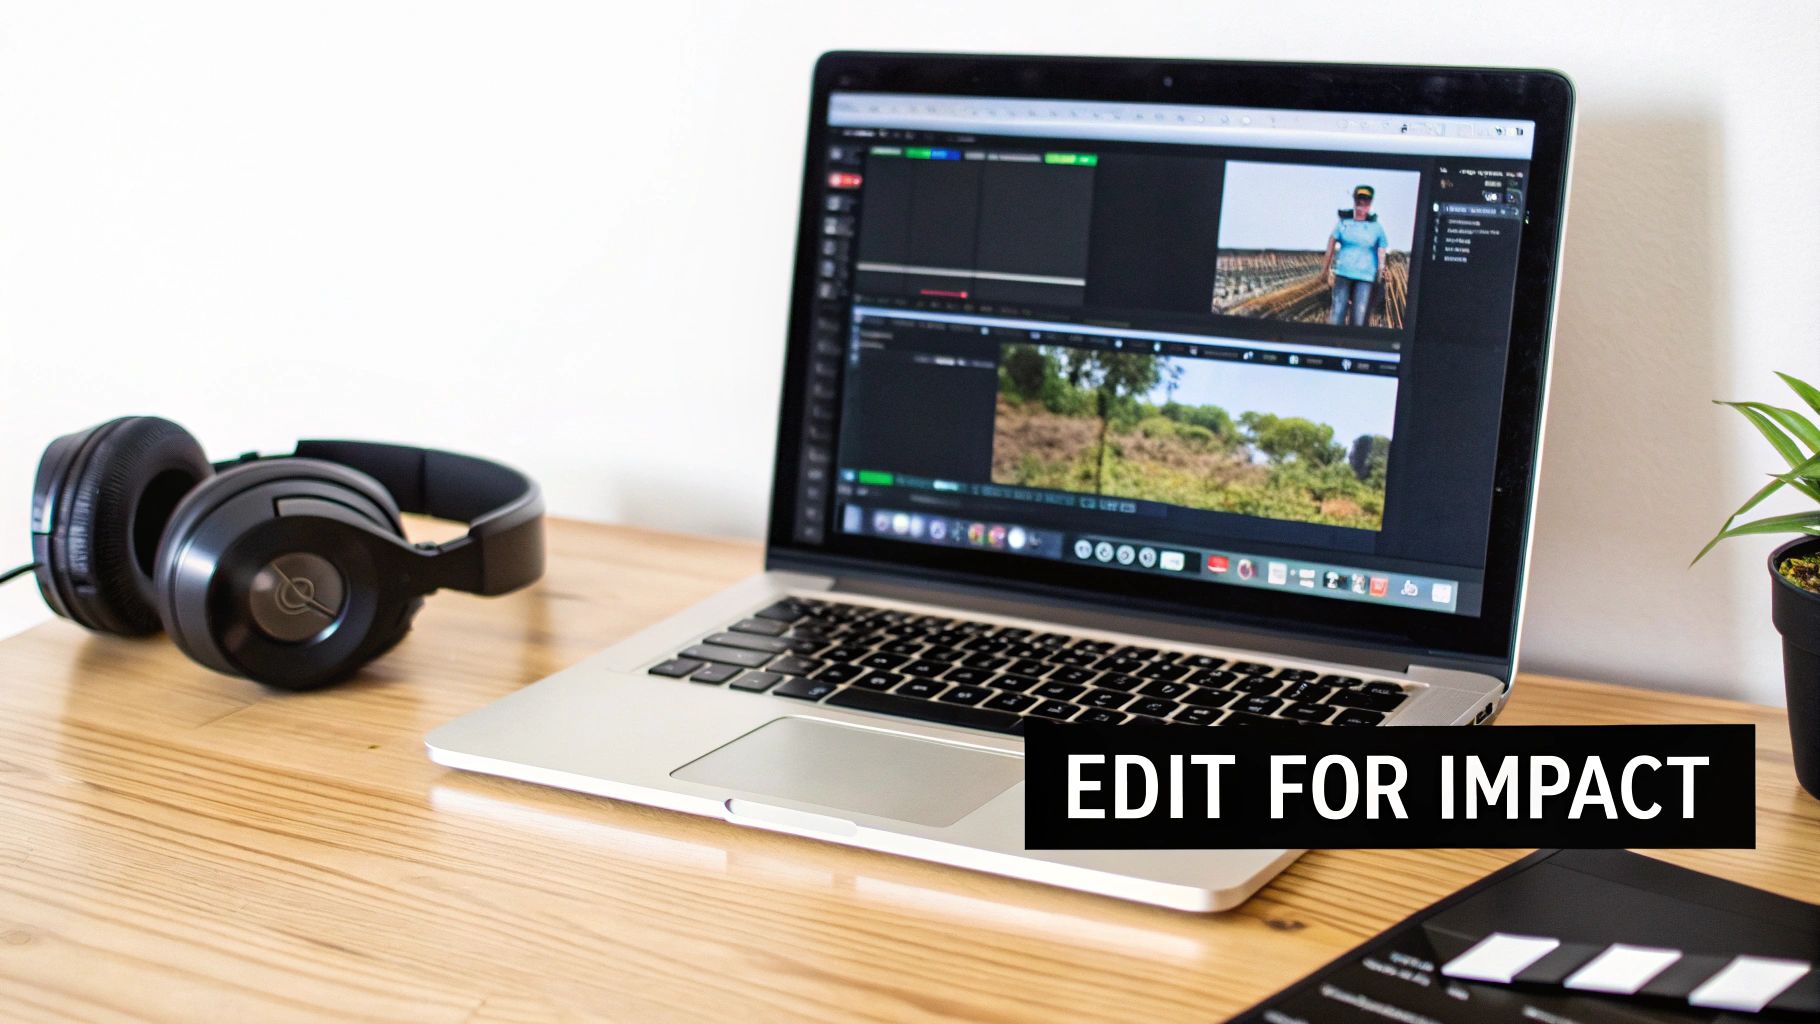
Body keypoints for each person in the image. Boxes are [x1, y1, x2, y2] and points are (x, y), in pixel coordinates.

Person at [1322, 184, 1389, 326]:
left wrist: (1381, 270)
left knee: (1359, 317)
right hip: (1343, 274)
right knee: (1337, 314)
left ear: (1370, 203)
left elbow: (1381, 250)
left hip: (1365, 278)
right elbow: (1331, 243)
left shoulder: (1376, 227)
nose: (1362, 203)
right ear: (1354, 201)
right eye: (1359, 200)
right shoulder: (1344, 223)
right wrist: (1325, 270)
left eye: (1366, 200)